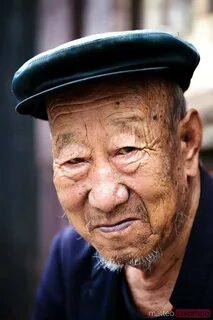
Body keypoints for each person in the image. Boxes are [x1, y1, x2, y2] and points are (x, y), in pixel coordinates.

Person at [12, 30, 213, 319]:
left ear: (187, 143)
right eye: (75, 160)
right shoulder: (70, 262)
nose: (106, 199)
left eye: (126, 150)